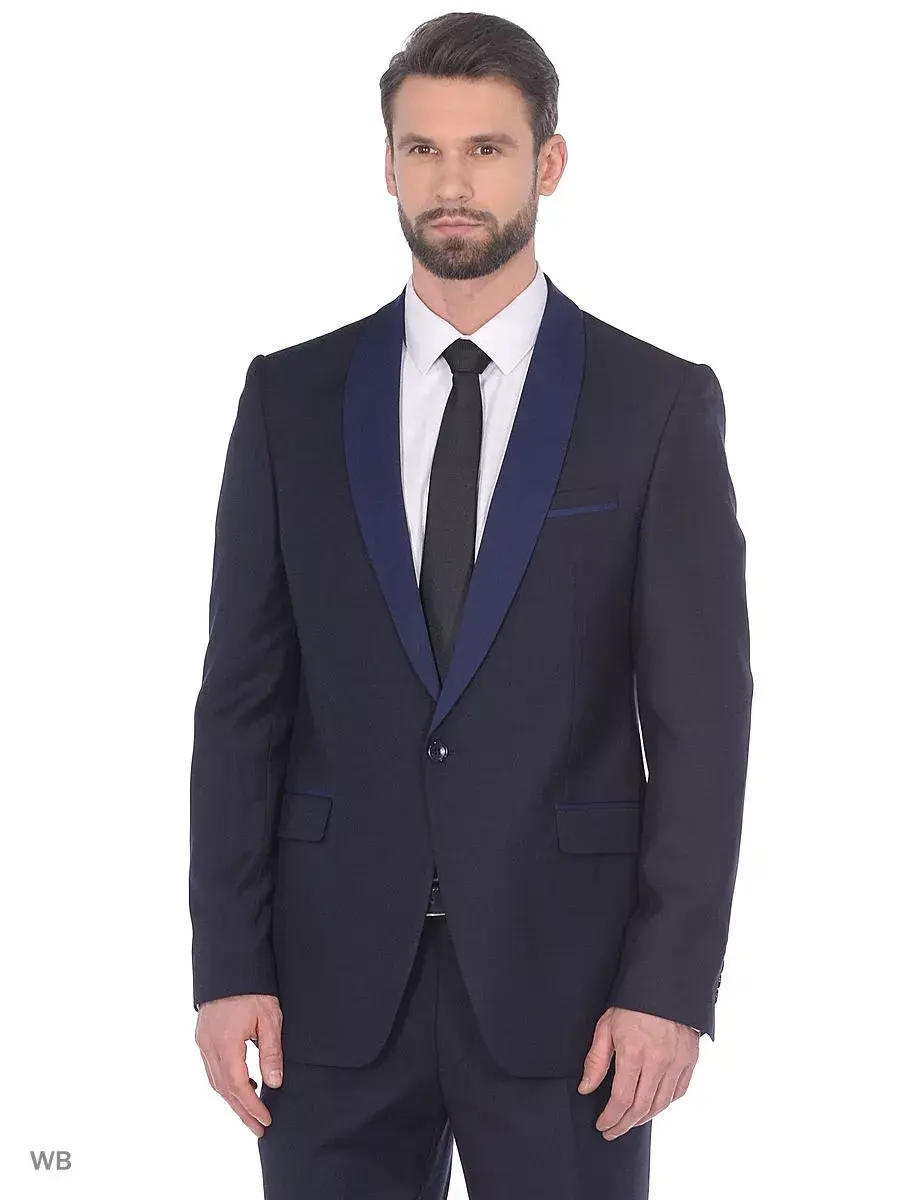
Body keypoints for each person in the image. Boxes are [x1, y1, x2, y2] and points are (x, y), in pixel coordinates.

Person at [189, 12, 753, 1199]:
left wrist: (669, 986)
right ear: (388, 166)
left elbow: (704, 724)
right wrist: (227, 965)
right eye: (425, 150)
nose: (453, 184)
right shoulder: (290, 401)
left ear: (550, 162)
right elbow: (241, 704)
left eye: (487, 150)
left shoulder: (654, 406)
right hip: (328, 993)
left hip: (575, 995)